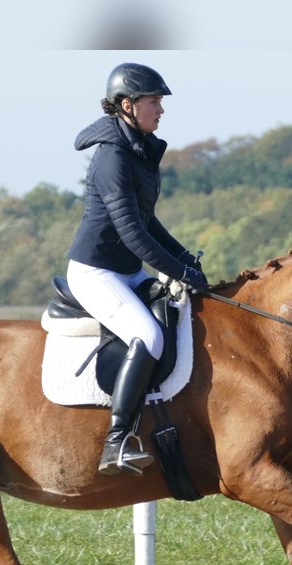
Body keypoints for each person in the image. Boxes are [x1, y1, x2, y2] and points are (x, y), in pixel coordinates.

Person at [67, 62, 208, 476]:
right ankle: (117, 441)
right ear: (128, 105)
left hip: (125, 271)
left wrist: (185, 260)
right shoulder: (113, 156)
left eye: (160, 102)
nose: (161, 109)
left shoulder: (139, 149)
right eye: (154, 102)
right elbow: (131, 232)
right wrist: (177, 272)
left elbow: (147, 221)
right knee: (147, 335)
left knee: (183, 317)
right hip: (97, 272)